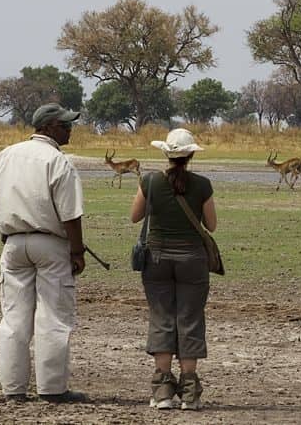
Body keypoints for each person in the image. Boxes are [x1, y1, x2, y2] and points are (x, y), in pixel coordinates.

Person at [0, 103, 88, 403]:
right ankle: (52, 389)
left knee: (14, 319)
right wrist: (77, 251)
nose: (69, 130)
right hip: (50, 245)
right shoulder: (58, 160)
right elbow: (71, 214)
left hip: (14, 245)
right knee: (52, 316)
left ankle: (13, 389)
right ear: (48, 127)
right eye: (65, 125)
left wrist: (18, 201)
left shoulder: (8, 154)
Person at [129, 128, 217, 411]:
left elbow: (134, 216)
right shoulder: (202, 184)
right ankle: (190, 392)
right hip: (193, 260)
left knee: (162, 318)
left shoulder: (150, 181)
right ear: (191, 155)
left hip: (156, 259)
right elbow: (212, 225)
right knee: (190, 319)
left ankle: (163, 390)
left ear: (165, 153)